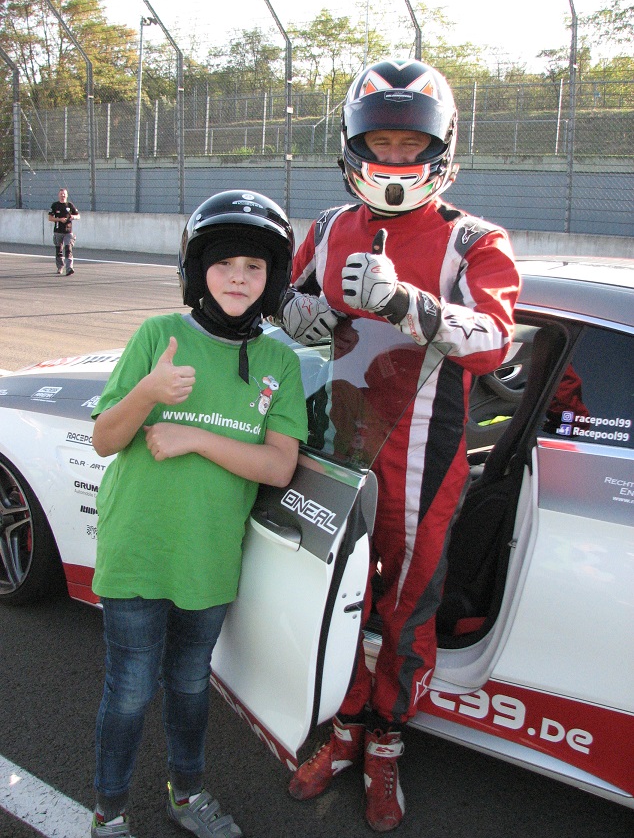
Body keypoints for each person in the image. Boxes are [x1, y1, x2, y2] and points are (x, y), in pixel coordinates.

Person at [276, 59, 521, 832]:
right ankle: (344, 727)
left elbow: (495, 340)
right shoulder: (327, 227)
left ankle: (386, 742)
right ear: (353, 143)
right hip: (336, 439)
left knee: (407, 606)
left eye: (409, 143)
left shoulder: (474, 239)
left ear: (439, 147)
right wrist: (302, 315)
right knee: (335, 593)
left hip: (425, 455)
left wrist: (405, 302)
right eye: (379, 140)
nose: (393, 155)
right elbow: (289, 303)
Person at [89, 190, 308, 838]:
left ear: (272, 278)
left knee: (189, 685)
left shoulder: (278, 361)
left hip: (208, 558)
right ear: (196, 271)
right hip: (138, 549)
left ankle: (185, 795)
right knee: (130, 690)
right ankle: (109, 811)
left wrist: (192, 436)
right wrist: (148, 391)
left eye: (254, 266)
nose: (238, 277)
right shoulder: (159, 336)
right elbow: (105, 438)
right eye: (223, 263)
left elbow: (279, 465)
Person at [48, 187, 80, 275]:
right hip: (58, 231)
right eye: (61, 194)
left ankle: (69, 268)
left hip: (68, 232)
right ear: (59, 195)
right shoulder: (55, 205)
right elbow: (50, 218)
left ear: (67, 195)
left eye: (64, 194)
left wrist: (73, 217)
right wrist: (59, 219)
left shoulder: (70, 205)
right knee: (59, 250)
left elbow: (78, 216)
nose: (63, 196)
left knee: (68, 249)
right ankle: (60, 267)